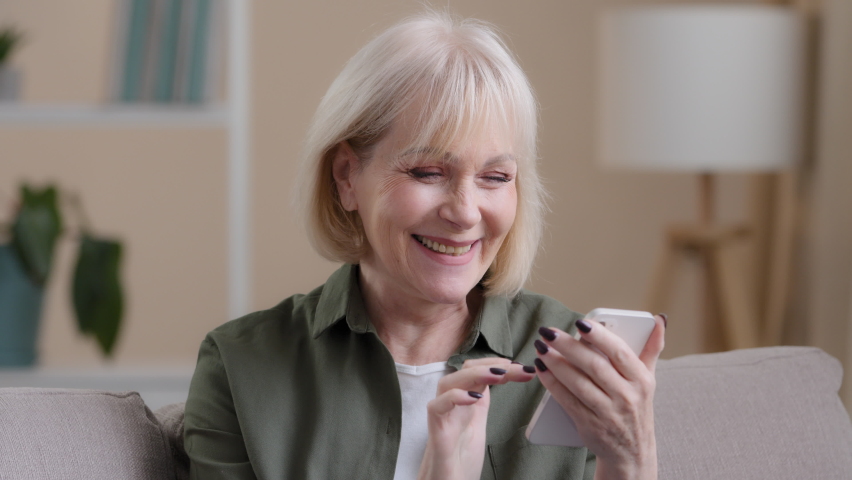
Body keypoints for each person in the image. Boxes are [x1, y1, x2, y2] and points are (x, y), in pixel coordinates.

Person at [184, 11, 665, 480]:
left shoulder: (573, 366)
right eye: (428, 172)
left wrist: (631, 459)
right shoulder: (240, 367)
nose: (466, 212)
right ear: (347, 176)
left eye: (496, 177)